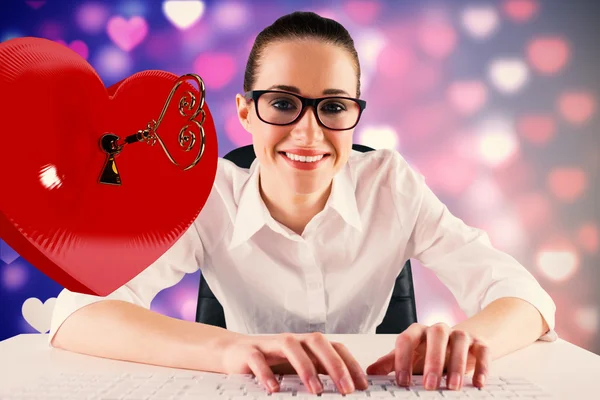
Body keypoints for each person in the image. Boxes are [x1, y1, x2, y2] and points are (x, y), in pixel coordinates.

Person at [49, 11, 556, 396]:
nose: (308, 132)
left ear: (356, 116)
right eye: (283, 104)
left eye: (334, 106)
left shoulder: (391, 185)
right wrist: (234, 350)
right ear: (246, 113)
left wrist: (468, 340)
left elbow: (524, 295)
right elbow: (78, 312)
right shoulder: (207, 195)